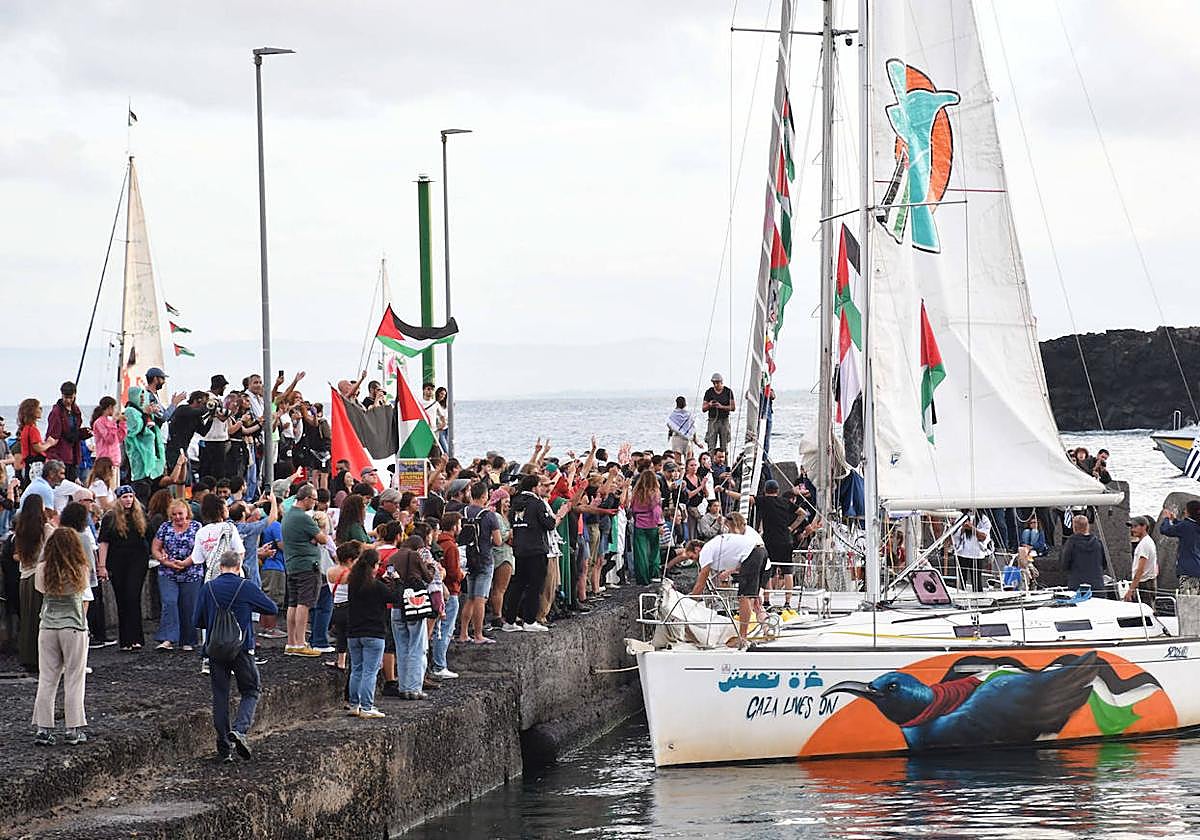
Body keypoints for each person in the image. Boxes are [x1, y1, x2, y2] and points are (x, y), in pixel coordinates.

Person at [192, 549, 278, 761]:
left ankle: (223, 746)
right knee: (251, 690)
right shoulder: (245, 586)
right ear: (239, 567)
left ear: (220, 567)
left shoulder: (208, 588)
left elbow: (197, 621)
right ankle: (239, 730)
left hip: (214, 649)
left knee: (220, 696)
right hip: (241, 648)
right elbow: (271, 608)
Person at [32, 527, 93, 746]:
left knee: (47, 678)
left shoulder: (42, 570)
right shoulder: (80, 568)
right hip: (74, 626)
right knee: (74, 679)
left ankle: (43, 728)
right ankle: (73, 728)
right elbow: (84, 589)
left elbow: (41, 590)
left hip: (48, 626)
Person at [687, 520, 769, 647]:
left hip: (752, 554)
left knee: (743, 597)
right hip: (760, 552)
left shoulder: (705, 552)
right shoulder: (714, 546)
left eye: (692, 557)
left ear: (697, 549)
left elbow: (700, 583)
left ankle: (742, 638)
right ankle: (765, 628)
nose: (694, 561)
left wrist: (689, 604)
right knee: (752, 597)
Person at [503, 474, 569, 632]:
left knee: (518, 584)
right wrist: (560, 514)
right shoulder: (536, 503)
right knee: (535, 585)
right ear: (534, 487)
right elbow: (550, 524)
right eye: (540, 485)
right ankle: (529, 620)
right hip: (536, 549)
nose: (542, 489)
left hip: (519, 549)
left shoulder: (516, 502)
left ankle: (509, 621)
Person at [346, 548, 403, 716]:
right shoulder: (377, 586)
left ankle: (354, 705)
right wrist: (397, 581)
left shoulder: (353, 584)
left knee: (356, 669)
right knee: (370, 671)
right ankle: (367, 706)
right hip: (374, 633)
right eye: (378, 564)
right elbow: (395, 598)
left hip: (354, 632)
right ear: (372, 566)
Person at [98, 486, 151, 650]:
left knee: (132, 596)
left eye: (130, 496)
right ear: (118, 499)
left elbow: (151, 536)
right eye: (124, 497)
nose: (128, 500)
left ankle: (136, 637)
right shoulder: (110, 518)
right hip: (117, 561)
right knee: (121, 599)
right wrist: (102, 565)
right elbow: (104, 542)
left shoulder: (141, 515)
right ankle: (126, 639)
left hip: (137, 559)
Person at [281, 484, 327, 656]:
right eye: (314, 499)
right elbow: (322, 539)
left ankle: (292, 642)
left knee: (293, 603)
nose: (315, 503)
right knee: (304, 603)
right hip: (307, 566)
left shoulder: (287, 516)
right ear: (306, 498)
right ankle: (300, 643)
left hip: (292, 565)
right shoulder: (303, 518)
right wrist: (321, 527)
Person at [151, 499, 202, 651]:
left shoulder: (196, 527)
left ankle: (188, 640)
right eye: (174, 514)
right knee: (169, 602)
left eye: (180, 513)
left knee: (189, 606)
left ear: (187, 512)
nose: (178, 517)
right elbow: (155, 548)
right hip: (168, 571)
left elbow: (201, 549)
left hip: (191, 571)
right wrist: (164, 560)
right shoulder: (165, 527)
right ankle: (168, 638)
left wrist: (185, 563)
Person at [457, 482, 502, 645]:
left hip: (467, 558)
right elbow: (497, 541)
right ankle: (478, 634)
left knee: (469, 598)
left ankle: (463, 633)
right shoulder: (489, 515)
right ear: (484, 496)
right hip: (484, 558)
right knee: (480, 599)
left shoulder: (463, 511)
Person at [391, 535, 435, 699]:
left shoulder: (393, 557)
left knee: (401, 648)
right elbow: (428, 578)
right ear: (418, 547)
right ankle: (414, 688)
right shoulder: (415, 556)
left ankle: (403, 687)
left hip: (397, 605)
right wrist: (430, 566)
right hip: (414, 605)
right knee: (416, 646)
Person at [16, 494, 54, 673]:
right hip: (40, 576)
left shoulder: (21, 528)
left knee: (27, 618)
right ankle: (41, 657)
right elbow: (51, 550)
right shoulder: (45, 528)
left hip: (24, 576)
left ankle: (27, 656)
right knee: (41, 619)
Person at [431, 513, 464, 679]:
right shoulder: (451, 546)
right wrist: (461, 575)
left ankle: (437, 664)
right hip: (450, 591)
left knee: (438, 629)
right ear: (454, 526)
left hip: (441, 590)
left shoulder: (438, 543)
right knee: (445, 630)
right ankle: (440, 665)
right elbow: (453, 572)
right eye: (459, 524)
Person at [45, 382, 90, 481]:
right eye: (66, 397)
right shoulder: (56, 412)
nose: (68, 400)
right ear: (62, 395)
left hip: (74, 454)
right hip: (60, 455)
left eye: (71, 398)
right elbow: (53, 434)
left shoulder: (76, 411)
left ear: (75, 395)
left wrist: (83, 433)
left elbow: (75, 431)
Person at [327, 541, 359, 671]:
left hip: (336, 608)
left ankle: (341, 661)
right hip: (349, 608)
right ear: (350, 559)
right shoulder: (350, 575)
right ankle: (352, 662)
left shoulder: (330, 571)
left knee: (341, 635)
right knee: (351, 636)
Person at [628, 470, 663, 585]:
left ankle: (642, 579)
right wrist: (660, 524)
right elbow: (657, 510)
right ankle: (654, 574)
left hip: (639, 523)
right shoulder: (655, 492)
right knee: (654, 550)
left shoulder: (636, 492)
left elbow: (632, 508)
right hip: (652, 523)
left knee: (640, 552)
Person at [488, 488, 515, 629]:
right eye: (505, 501)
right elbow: (499, 537)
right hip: (502, 555)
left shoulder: (504, 516)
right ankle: (497, 616)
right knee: (500, 588)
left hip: (505, 553)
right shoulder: (497, 516)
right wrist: (512, 532)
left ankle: (498, 614)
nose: (508, 504)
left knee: (500, 588)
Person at [1160, 501, 1200, 595]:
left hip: (1188, 570)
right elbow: (1187, 527)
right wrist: (1174, 520)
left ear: (1189, 512)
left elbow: (1165, 530)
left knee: (1188, 602)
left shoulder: (1185, 526)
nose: (1184, 511)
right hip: (1197, 567)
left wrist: (1166, 519)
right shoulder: (1194, 526)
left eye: (1185, 509)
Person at [1061, 514, 1107, 596]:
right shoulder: (1098, 542)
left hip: (1077, 585)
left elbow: (1064, 564)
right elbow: (1104, 564)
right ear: (1087, 526)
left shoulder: (1071, 543)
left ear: (1074, 527)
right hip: (1097, 585)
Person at [16, 398, 56, 484]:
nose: (41, 409)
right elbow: (38, 448)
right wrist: (49, 443)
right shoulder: (32, 429)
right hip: (35, 464)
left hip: (28, 464)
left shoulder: (25, 428)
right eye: (39, 407)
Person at [952, 510, 993, 592]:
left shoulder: (984, 519)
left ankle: (979, 598)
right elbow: (954, 535)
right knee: (961, 580)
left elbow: (983, 537)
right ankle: (961, 597)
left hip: (977, 554)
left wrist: (972, 528)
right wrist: (963, 528)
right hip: (962, 553)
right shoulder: (961, 518)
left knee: (977, 581)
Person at [1126, 516, 1158, 606]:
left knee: (1145, 609)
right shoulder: (1147, 542)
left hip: (1145, 583)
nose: (1132, 529)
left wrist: (1131, 589)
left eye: (1135, 526)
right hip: (1147, 581)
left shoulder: (1144, 544)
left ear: (1144, 527)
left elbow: (1140, 569)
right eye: (1131, 527)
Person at [702, 373, 735, 454]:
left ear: (721, 382)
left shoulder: (728, 391)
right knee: (711, 446)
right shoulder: (709, 392)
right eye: (714, 383)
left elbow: (733, 407)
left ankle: (725, 465)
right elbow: (703, 408)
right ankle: (710, 464)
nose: (716, 385)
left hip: (724, 420)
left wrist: (722, 406)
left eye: (717, 382)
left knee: (724, 446)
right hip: (713, 421)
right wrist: (709, 404)